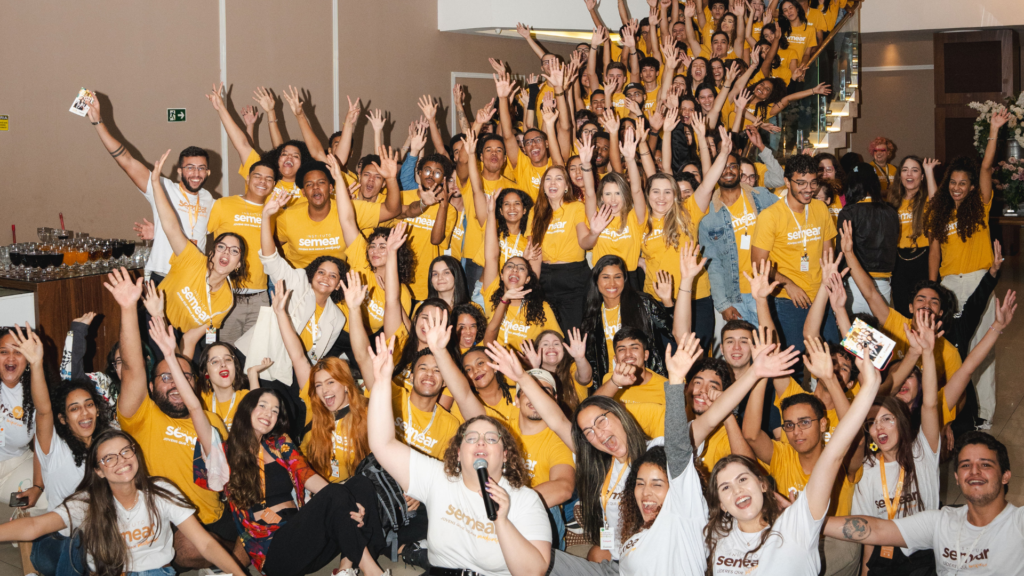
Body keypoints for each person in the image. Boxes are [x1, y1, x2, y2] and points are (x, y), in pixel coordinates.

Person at [366, 333, 553, 576]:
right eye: (471, 438)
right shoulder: (438, 479)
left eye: (491, 438)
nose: (481, 442)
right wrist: (381, 381)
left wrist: (502, 521)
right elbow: (382, 445)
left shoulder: (525, 499)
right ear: (457, 451)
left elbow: (533, 572)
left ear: (506, 454)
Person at [104, 268, 243, 569]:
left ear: (194, 383)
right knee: (186, 546)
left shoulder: (212, 420)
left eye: (182, 377)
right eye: (165, 377)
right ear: (152, 387)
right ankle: (225, 561)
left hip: (216, 517)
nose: (174, 383)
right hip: (174, 527)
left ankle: (227, 559)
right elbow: (132, 369)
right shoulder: (142, 416)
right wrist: (129, 309)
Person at [705, 352, 881, 575]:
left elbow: (854, 442)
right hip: (783, 538)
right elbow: (750, 435)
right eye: (788, 425)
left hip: (833, 541)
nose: (796, 431)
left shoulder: (840, 462)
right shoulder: (781, 454)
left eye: (805, 422)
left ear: (824, 424)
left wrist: (830, 379)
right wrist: (760, 376)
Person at [0, 429, 248, 576]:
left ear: (135, 453)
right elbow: (34, 527)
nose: (121, 461)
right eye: (109, 458)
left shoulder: (161, 491)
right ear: (98, 470)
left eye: (125, 451)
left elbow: (204, 543)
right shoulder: (87, 502)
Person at [825, 431, 1023, 575]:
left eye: (985, 464)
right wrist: (810, 521)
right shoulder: (940, 522)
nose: (974, 471)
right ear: (957, 477)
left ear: (1005, 476)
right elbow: (876, 529)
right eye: (965, 465)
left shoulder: (1018, 523)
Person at [926, 111, 1004, 428]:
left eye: (963, 183)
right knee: (950, 348)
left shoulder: (982, 207)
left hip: (977, 282)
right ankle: (954, 408)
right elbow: (934, 251)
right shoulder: (941, 212)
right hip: (947, 285)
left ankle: (983, 414)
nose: (957, 187)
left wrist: (994, 130)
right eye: (953, 183)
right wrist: (932, 290)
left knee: (981, 348)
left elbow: (985, 165)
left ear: (973, 187)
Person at [84, 96, 214, 285]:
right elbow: (126, 160)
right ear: (179, 170)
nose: (196, 173)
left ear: (208, 172)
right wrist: (98, 122)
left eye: (201, 168)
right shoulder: (162, 187)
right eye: (190, 167)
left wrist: (158, 232)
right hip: (162, 275)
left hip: (194, 276)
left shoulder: (210, 199)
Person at [851, 312, 943, 574]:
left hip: (925, 551)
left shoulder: (923, 451)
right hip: (885, 555)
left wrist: (926, 351)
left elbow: (930, 404)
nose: (879, 427)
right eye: (872, 422)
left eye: (887, 419)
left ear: (901, 423)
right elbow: (869, 531)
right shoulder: (867, 471)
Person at [236, 189, 348, 364]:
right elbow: (270, 258)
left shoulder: (337, 318)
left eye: (333, 275)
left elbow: (317, 357)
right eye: (321, 272)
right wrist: (266, 217)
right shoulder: (297, 281)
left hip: (292, 371)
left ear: (338, 285)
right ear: (312, 275)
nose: (325, 278)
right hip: (258, 357)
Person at [147, 151, 245, 340]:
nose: (226, 253)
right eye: (221, 248)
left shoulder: (226, 300)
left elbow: (189, 341)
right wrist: (154, 183)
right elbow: (171, 226)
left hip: (185, 331)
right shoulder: (193, 260)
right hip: (165, 285)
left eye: (234, 251)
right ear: (211, 253)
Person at [752, 154, 839, 362]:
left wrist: (831, 289)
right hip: (788, 302)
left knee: (832, 358)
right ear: (786, 181)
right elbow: (757, 264)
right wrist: (788, 284)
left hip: (821, 296)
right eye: (800, 183)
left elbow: (828, 255)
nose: (808, 189)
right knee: (793, 364)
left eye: (813, 183)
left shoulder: (820, 209)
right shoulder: (770, 217)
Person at [699, 143, 780, 325]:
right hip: (736, 298)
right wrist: (722, 304)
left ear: (739, 170)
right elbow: (713, 264)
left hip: (770, 291)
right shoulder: (707, 216)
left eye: (732, 166)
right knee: (743, 351)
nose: (727, 171)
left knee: (772, 348)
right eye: (722, 167)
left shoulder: (763, 197)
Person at [205, 158, 279, 343]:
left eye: (269, 179)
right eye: (258, 176)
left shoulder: (274, 212)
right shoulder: (223, 204)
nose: (263, 181)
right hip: (226, 293)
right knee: (224, 352)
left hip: (260, 297)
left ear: (274, 184)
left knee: (254, 356)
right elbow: (196, 233)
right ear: (247, 178)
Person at [481, 193, 562, 350]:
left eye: (521, 268)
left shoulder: (540, 309)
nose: (515, 270)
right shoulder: (491, 293)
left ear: (527, 279)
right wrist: (491, 213)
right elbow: (491, 257)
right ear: (502, 275)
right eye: (510, 266)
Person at [581, 256, 674, 384]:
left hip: (645, 382)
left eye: (617, 277)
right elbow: (594, 363)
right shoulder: (592, 315)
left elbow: (673, 332)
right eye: (606, 277)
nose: (612, 283)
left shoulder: (643, 303)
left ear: (624, 279)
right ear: (596, 280)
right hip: (613, 385)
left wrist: (668, 302)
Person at [532, 165, 600, 334]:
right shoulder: (537, 213)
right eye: (548, 179)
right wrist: (534, 287)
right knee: (548, 336)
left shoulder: (576, 207)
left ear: (567, 186)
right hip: (546, 280)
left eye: (559, 178)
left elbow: (585, 242)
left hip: (573, 279)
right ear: (543, 186)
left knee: (573, 335)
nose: (553, 182)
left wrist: (594, 233)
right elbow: (535, 255)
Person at [836, 163, 900, 315]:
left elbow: (842, 252)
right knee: (880, 337)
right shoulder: (891, 212)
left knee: (855, 336)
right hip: (883, 284)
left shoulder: (848, 212)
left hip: (856, 282)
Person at [883, 156, 940, 312]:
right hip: (899, 263)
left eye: (915, 170)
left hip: (923, 260)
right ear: (900, 175)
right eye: (905, 170)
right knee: (902, 310)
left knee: (923, 311)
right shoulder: (893, 201)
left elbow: (937, 206)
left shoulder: (928, 200)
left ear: (921, 177)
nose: (909, 174)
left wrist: (929, 172)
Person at [520, 329, 593, 414]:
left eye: (556, 344)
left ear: (564, 350)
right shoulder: (528, 374)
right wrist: (535, 369)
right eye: (545, 344)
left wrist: (580, 358)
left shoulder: (572, 368)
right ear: (536, 351)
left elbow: (585, 378)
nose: (551, 347)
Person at [193, 342, 254, 431]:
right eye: (215, 361)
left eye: (228, 359)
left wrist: (253, 374)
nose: (223, 364)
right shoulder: (201, 398)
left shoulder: (246, 398)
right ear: (206, 371)